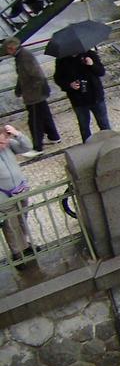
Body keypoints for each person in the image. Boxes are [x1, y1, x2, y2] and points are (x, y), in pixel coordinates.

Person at [4, 37, 58, 155]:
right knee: (44, 115)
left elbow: (35, 75)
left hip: (34, 95)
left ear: (11, 48)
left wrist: (30, 90)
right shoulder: (22, 56)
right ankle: (54, 136)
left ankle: (38, 148)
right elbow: (24, 75)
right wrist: (19, 88)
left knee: (34, 121)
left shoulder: (24, 57)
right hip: (38, 92)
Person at [54, 49, 110, 142]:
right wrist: (69, 85)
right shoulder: (62, 60)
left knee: (104, 123)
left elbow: (101, 72)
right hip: (78, 100)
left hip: (95, 96)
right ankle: (87, 148)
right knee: (84, 127)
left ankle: (110, 143)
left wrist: (92, 65)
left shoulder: (89, 54)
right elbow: (58, 79)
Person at [0, 124, 35, 266]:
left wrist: (17, 134)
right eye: (0, 143)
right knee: (11, 224)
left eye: (4, 141)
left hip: (20, 188)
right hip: (3, 196)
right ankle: (17, 253)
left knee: (22, 218)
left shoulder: (9, 145)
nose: (3, 145)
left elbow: (27, 147)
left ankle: (25, 246)